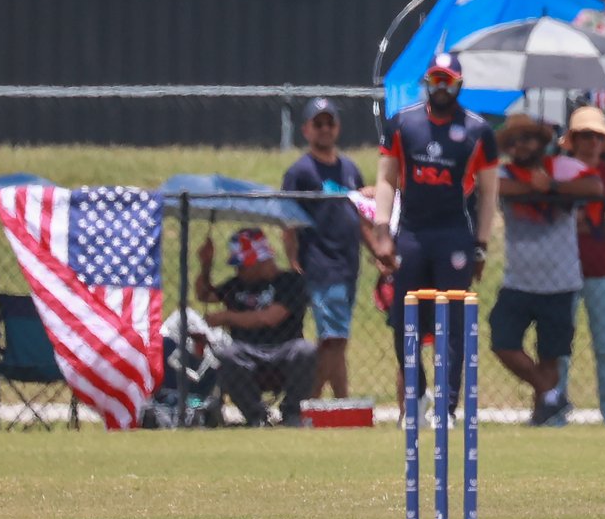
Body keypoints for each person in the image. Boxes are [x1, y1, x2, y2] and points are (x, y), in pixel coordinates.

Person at [364, 52, 499, 426]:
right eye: (435, 80)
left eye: (448, 81)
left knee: (452, 323)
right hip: (411, 234)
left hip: (454, 235)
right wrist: (382, 231)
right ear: (426, 82)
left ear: (459, 84)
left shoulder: (478, 131)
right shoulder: (403, 124)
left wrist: (481, 244)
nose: (441, 88)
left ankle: (447, 407)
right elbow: (386, 179)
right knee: (403, 319)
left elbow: (489, 192)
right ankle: (418, 393)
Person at [490, 114, 603, 425]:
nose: (521, 146)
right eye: (514, 142)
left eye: (527, 139)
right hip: (518, 281)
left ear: (542, 143)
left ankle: (542, 414)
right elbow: (495, 186)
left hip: (560, 281)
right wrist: (534, 186)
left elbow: (595, 186)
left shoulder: (564, 168)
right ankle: (552, 395)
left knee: (550, 354)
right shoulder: (504, 172)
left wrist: (552, 185)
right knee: (502, 342)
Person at [281, 97, 377, 400]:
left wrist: (377, 252)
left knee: (338, 339)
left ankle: (341, 406)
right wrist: (293, 258)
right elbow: (288, 222)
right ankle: (309, 403)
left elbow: (361, 218)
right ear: (306, 130)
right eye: (318, 123)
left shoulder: (349, 169)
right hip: (321, 264)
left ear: (338, 127)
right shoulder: (300, 172)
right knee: (333, 338)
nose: (325, 128)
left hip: (349, 264)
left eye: (330, 123)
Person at [196, 227, 316, 427]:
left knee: (306, 350)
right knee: (228, 354)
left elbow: (270, 317)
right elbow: (204, 295)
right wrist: (206, 264)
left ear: (262, 261)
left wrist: (227, 317)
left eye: (243, 265)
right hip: (247, 352)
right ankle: (257, 417)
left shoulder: (291, 282)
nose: (238, 270)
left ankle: (292, 414)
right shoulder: (237, 284)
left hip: (284, 349)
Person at [557, 106, 605, 427]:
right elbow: (556, 222)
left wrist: (579, 220)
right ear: (573, 140)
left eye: (598, 137)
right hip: (561, 272)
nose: (592, 142)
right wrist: (593, 220)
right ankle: (555, 411)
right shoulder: (559, 174)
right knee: (559, 349)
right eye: (586, 135)